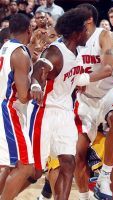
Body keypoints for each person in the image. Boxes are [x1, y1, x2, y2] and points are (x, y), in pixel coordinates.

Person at [28, 8, 90, 200]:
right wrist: (36, 85)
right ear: (77, 32)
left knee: (68, 162)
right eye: (85, 30)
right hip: (45, 112)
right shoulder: (56, 50)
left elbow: (75, 77)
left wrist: (81, 83)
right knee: (33, 171)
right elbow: (39, 68)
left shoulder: (78, 52)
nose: (88, 33)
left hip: (65, 113)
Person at [73, 3, 113, 200]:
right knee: (78, 154)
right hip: (86, 100)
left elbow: (106, 68)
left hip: (109, 92)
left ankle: (104, 177)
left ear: (88, 20)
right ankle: (83, 196)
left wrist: (83, 78)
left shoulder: (105, 36)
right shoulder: (73, 38)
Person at [0, 13, 34, 200]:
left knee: (9, 165)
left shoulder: (6, 47)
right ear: (29, 29)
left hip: (4, 107)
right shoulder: (20, 53)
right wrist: (40, 86)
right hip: (9, 111)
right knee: (26, 166)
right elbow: (23, 96)